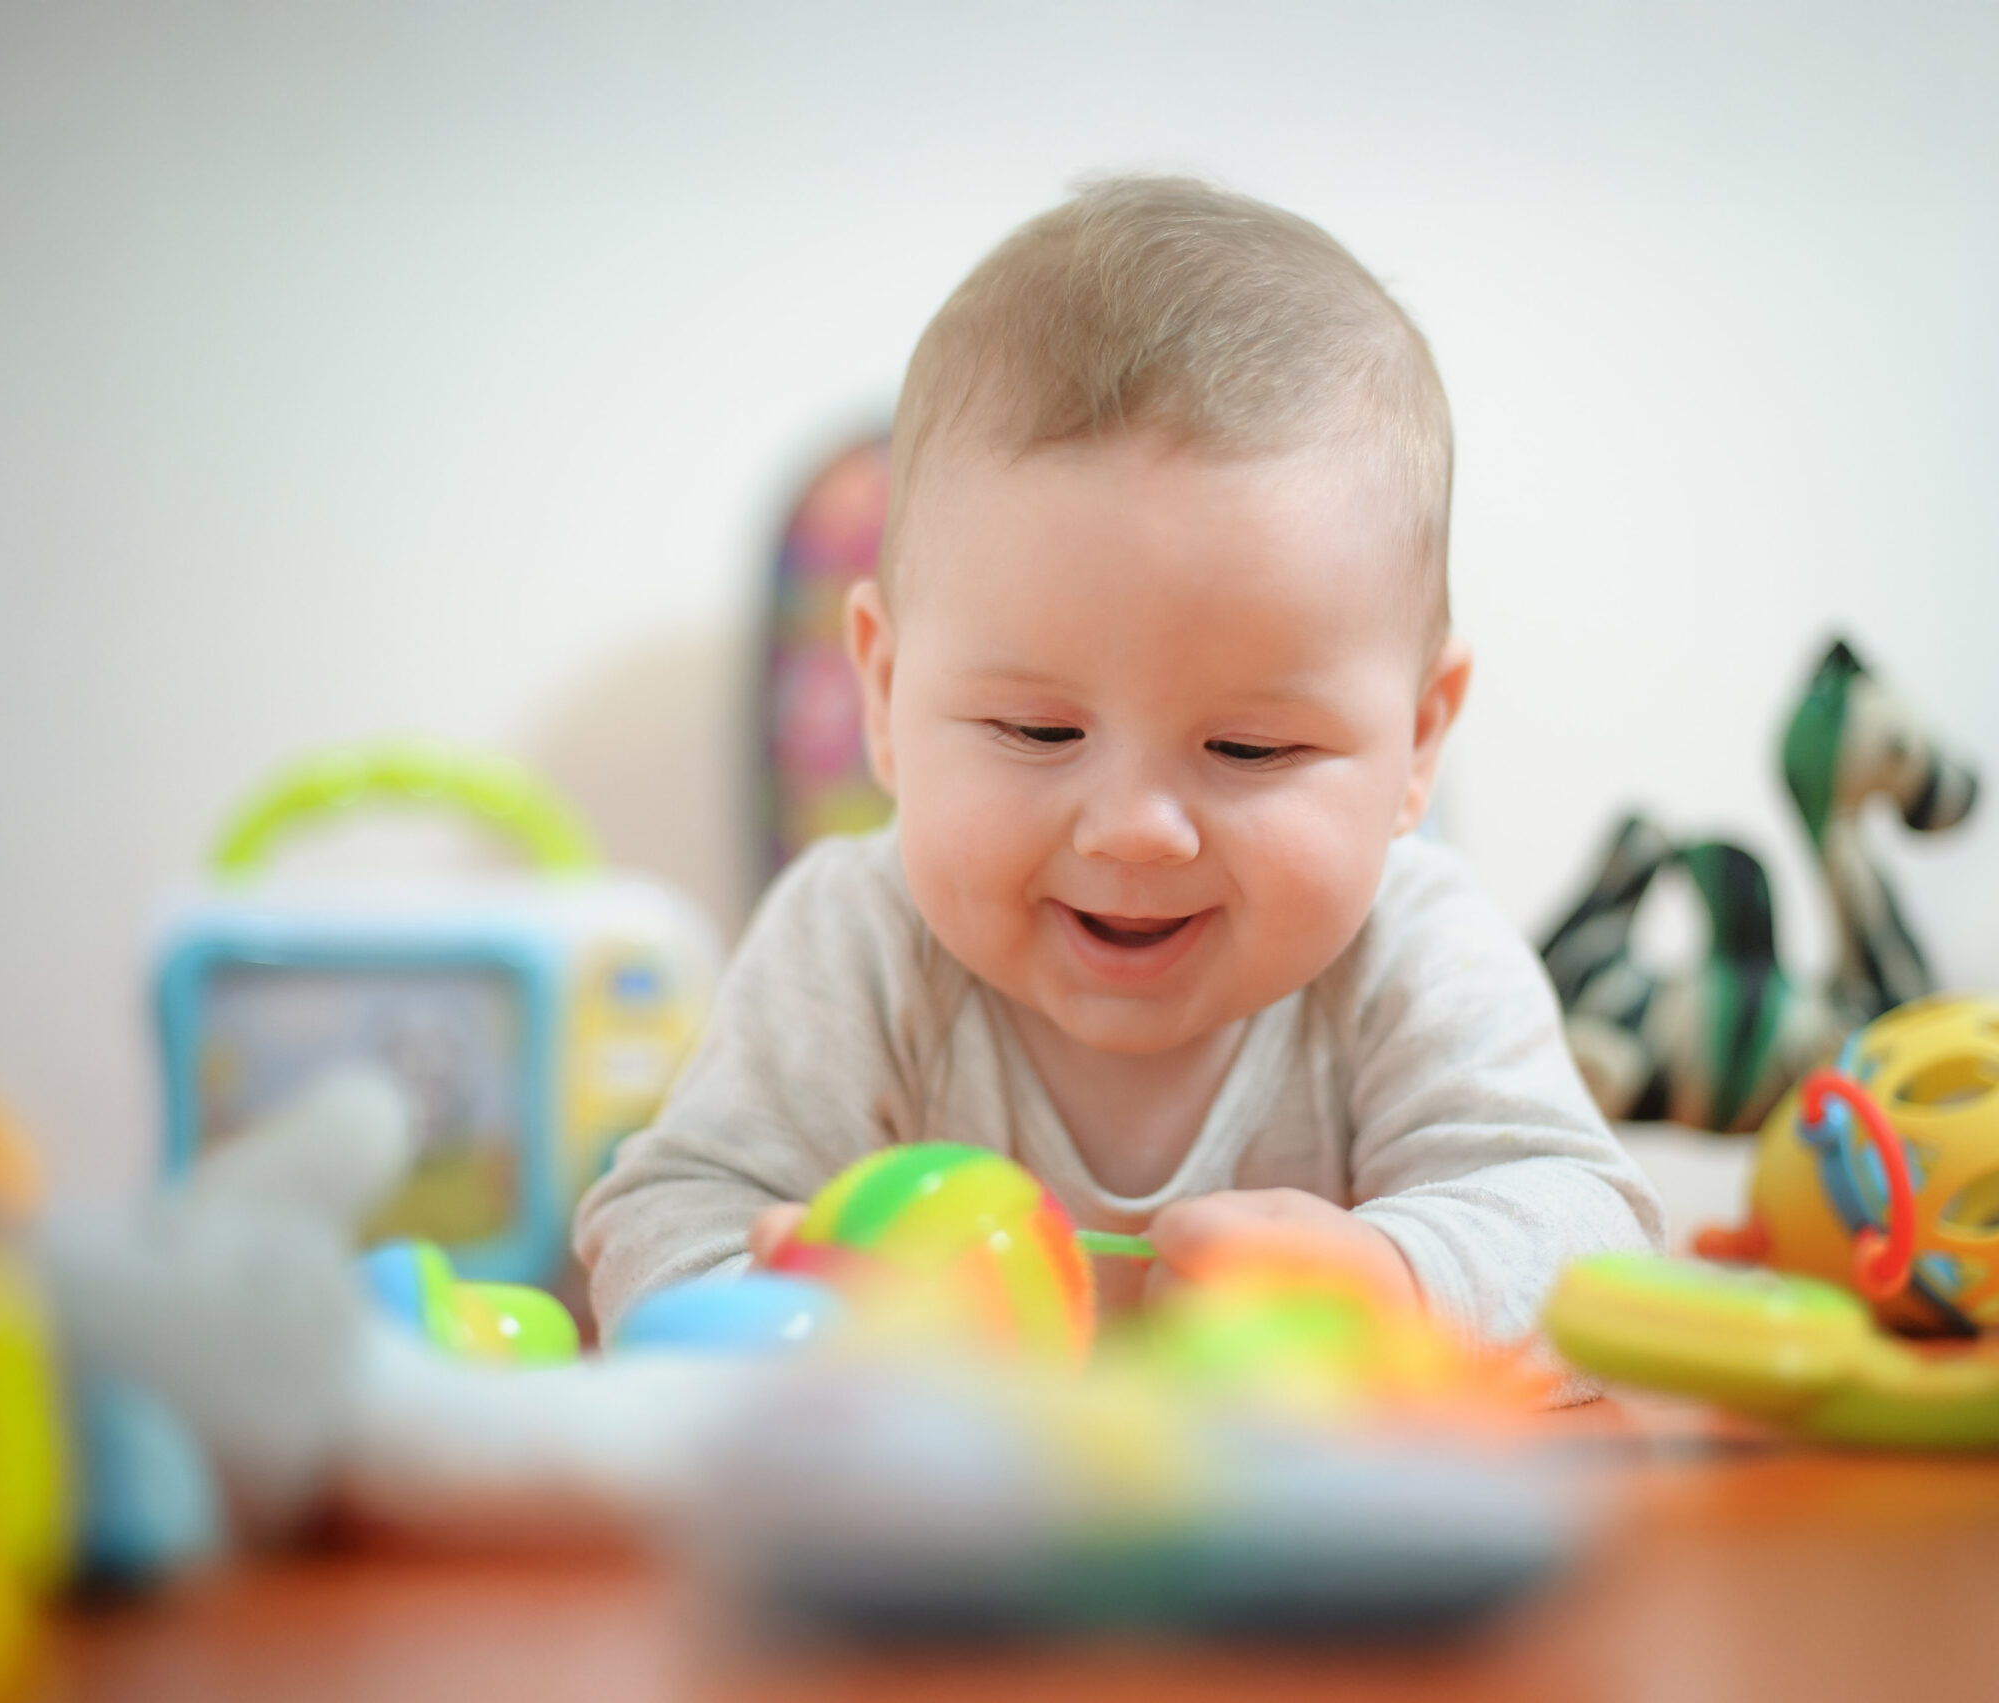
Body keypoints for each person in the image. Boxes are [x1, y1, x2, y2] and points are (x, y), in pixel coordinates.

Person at [577, 176, 1662, 1374]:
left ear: (1418, 740)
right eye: (1038, 732)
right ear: (883, 695)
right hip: (955, 1546)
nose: (1137, 829)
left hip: (1299, 1544)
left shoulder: (1413, 949)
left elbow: (1589, 1230)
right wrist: (793, 1320)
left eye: (1249, 748)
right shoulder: (855, 944)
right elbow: (658, 1223)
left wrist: (1400, 1281)